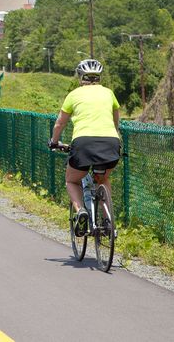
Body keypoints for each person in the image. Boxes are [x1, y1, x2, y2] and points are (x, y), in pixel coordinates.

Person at [48, 59, 120, 236]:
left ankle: (80, 211)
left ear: (81, 77)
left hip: (83, 144)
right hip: (110, 142)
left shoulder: (74, 95)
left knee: (71, 180)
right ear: (99, 77)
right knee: (103, 180)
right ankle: (108, 221)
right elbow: (116, 121)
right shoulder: (109, 93)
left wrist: (54, 142)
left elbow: (59, 124)